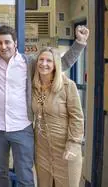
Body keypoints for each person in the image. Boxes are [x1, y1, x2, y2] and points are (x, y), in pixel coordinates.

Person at [0, 23, 89, 187]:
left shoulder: (28, 63)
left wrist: (80, 43)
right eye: (0, 43)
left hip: (23, 129)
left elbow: (61, 64)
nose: (4, 46)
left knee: (25, 175)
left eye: (7, 42)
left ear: (15, 43)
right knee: (0, 173)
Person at [32, 47, 84, 187]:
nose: (44, 63)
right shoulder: (34, 86)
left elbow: (77, 117)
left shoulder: (67, 86)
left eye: (49, 60)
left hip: (65, 148)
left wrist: (73, 144)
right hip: (42, 150)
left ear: (56, 64)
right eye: (41, 60)